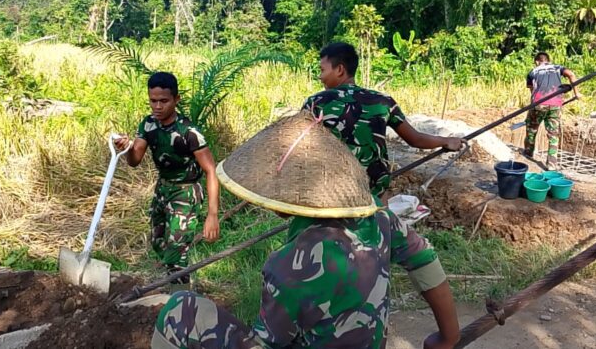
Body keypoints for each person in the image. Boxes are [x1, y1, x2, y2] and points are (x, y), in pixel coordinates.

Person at [151, 111, 460, 349]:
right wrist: (449, 337)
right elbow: (424, 260)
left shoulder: (291, 265)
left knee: (180, 308)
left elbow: (269, 342)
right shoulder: (378, 213)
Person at [303, 42, 464, 203]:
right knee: (384, 224)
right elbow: (415, 139)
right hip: (374, 192)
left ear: (339, 70)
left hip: (329, 190)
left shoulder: (316, 102)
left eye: (322, 70)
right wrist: (446, 141)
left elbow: (298, 145)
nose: (320, 76)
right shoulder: (383, 102)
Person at [114, 72, 220, 287]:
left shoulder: (188, 133)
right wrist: (125, 149)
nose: (158, 106)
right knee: (158, 242)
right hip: (163, 189)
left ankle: (180, 302)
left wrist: (212, 214)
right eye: (153, 101)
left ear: (176, 100)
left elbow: (211, 171)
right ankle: (175, 285)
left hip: (186, 192)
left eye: (164, 101)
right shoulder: (149, 125)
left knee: (176, 250)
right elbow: (135, 160)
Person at [523, 52, 581, 170]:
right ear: (548, 60)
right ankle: (552, 165)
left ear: (537, 62)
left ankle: (528, 155)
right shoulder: (557, 68)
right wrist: (576, 93)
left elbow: (532, 90)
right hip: (555, 104)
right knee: (553, 134)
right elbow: (571, 74)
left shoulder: (533, 72)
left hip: (539, 104)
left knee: (531, 129)